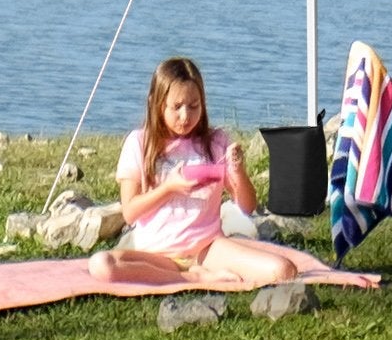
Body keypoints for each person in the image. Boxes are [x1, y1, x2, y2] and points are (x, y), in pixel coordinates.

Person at [88, 56, 299, 288]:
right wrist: (168, 188)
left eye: (194, 106)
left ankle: (195, 274)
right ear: (157, 104)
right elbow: (129, 213)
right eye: (176, 107)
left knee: (284, 270)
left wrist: (238, 172)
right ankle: (189, 278)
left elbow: (247, 207)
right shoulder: (139, 143)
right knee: (102, 265)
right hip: (156, 255)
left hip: (208, 249)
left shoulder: (216, 141)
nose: (186, 116)